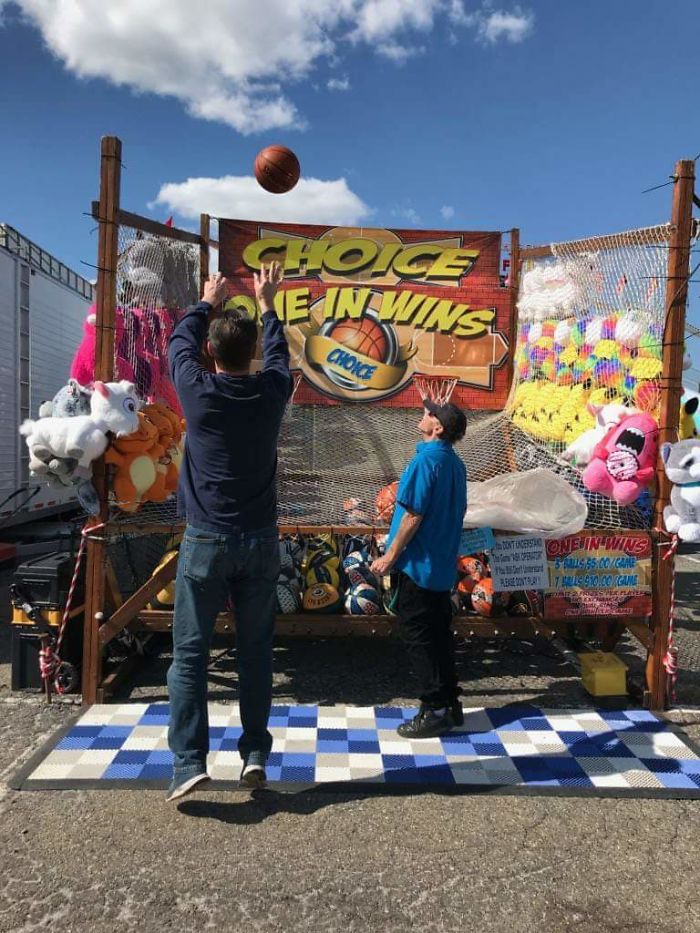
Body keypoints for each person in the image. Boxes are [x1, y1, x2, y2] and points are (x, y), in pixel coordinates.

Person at [165, 264, 290, 801]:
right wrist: (268, 305)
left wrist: (205, 302)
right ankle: (254, 755)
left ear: (213, 356)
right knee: (255, 652)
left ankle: (189, 763)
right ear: (251, 355)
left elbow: (178, 345)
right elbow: (282, 356)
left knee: (190, 655)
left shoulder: (197, 391)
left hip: (206, 540)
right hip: (260, 540)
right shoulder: (271, 391)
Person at [370, 400, 467, 738]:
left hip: (418, 564)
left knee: (419, 638)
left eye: (429, 413)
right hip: (440, 564)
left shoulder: (425, 460)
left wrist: (390, 555)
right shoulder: (455, 463)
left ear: (437, 428)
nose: (422, 415)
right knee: (440, 635)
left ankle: (434, 709)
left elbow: (413, 515)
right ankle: (451, 704)